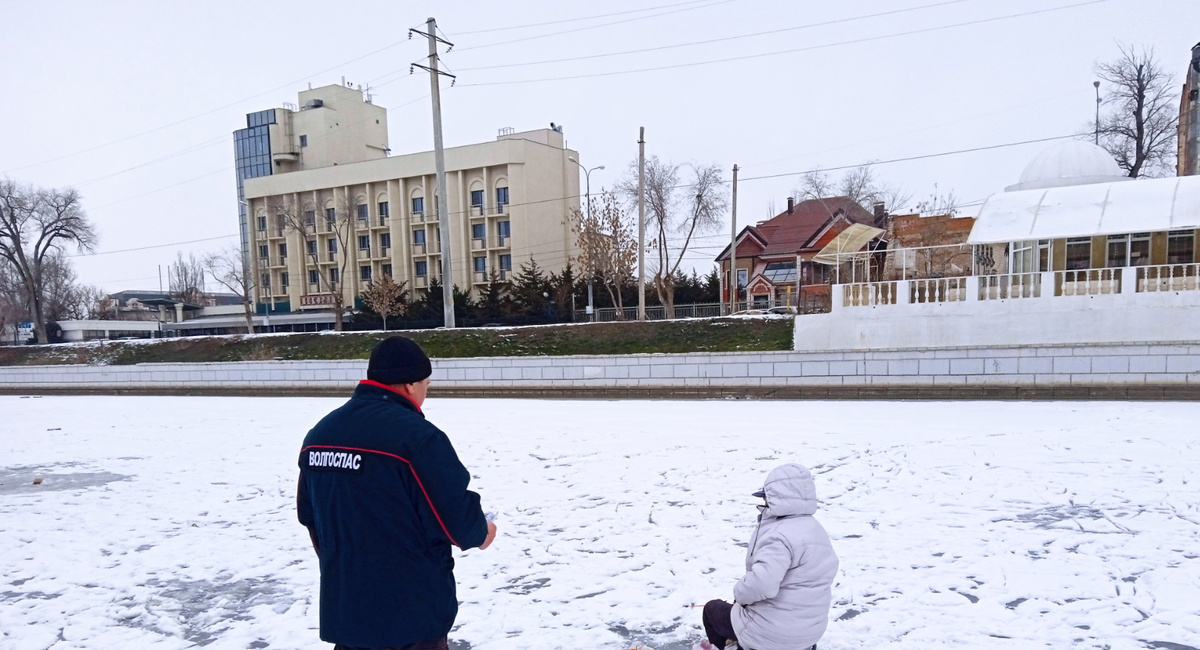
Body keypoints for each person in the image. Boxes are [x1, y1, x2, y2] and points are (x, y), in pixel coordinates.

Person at [297, 335, 498, 650]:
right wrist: (484, 530)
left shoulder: (319, 435)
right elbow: (459, 523)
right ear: (409, 386)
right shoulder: (418, 439)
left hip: (347, 612)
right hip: (410, 619)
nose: (425, 394)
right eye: (426, 385)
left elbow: (311, 518)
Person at [697, 463, 839, 650]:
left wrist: (739, 593)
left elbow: (762, 584)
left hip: (772, 635)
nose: (764, 502)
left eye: (766, 497)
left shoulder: (779, 535)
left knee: (712, 610)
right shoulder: (815, 529)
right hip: (810, 632)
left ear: (777, 498)